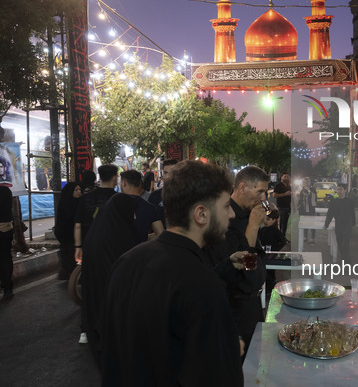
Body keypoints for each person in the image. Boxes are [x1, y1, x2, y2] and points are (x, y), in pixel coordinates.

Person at [101, 161, 243, 386]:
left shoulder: (126, 262)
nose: (232, 214)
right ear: (201, 214)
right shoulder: (202, 285)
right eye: (226, 206)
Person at [207, 166, 269, 350]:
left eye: (265, 192)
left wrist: (265, 225)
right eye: (260, 191)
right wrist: (253, 225)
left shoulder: (247, 214)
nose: (263, 197)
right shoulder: (225, 219)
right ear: (242, 187)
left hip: (252, 304)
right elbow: (241, 263)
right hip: (235, 306)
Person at [81, 193, 138, 365]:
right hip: (112, 300)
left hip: (95, 294)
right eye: (132, 212)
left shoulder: (100, 230)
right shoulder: (119, 235)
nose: (134, 216)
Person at [74, 164, 119, 262]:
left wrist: (78, 247)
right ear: (115, 178)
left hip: (89, 244)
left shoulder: (85, 198)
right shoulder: (119, 199)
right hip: (113, 246)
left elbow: (78, 225)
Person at [120, 170, 164, 242]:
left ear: (123, 183)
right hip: (140, 251)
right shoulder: (150, 208)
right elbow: (161, 234)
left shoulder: (115, 205)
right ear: (140, 184)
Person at [54, 182, 82, 280]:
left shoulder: (79, 203)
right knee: (70, 254)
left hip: (71, 235)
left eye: (79, 189)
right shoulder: (66, 204)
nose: (79, 192)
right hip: (66, 234)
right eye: (76, 190)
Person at [324, 184, 355, 263]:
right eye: (338, 190)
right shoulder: (334, 202)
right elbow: (330, 213)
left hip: (347, 227)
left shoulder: (349, 201)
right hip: (338, 226)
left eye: (341, 189)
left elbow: (352, 213)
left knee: (345, 245)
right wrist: (326, 224)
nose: (339, 191)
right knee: (340, 245)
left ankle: (347, 263)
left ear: (345, 190)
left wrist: (353, 224)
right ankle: (346, 260)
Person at [148, 158, 178, 227]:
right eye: (165, 173)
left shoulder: (186, 195)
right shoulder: (154, 196)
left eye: (172, 173)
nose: (168, 176)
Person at [0, 186, 14, 299]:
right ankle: (7, 287)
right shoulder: (6, 191)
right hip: (7, 229)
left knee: (4, 259)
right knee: (6, 258)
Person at [297, 177, 317, 246]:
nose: (304, 184)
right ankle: (305, 237)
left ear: (308, 182)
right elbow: (301, 200)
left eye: (305, 182)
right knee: (304, 224)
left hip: (311, 210)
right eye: (303, 182)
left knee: (312, 224)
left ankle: (312, 239)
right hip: (303, 210)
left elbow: (314, 199)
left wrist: (308, 190)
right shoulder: (302, 190)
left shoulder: (312, 189)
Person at [274, 172, 291, 239]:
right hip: (281, 207)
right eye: (285, 176)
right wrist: (285, 194)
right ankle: (279, 238)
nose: (286, 178)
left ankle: (283, 237)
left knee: (285, 223)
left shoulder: (289, 186)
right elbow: (274, 195)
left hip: (288, 207)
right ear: (281, 177)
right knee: (281, 223)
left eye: (287, 177)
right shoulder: (278, 185)